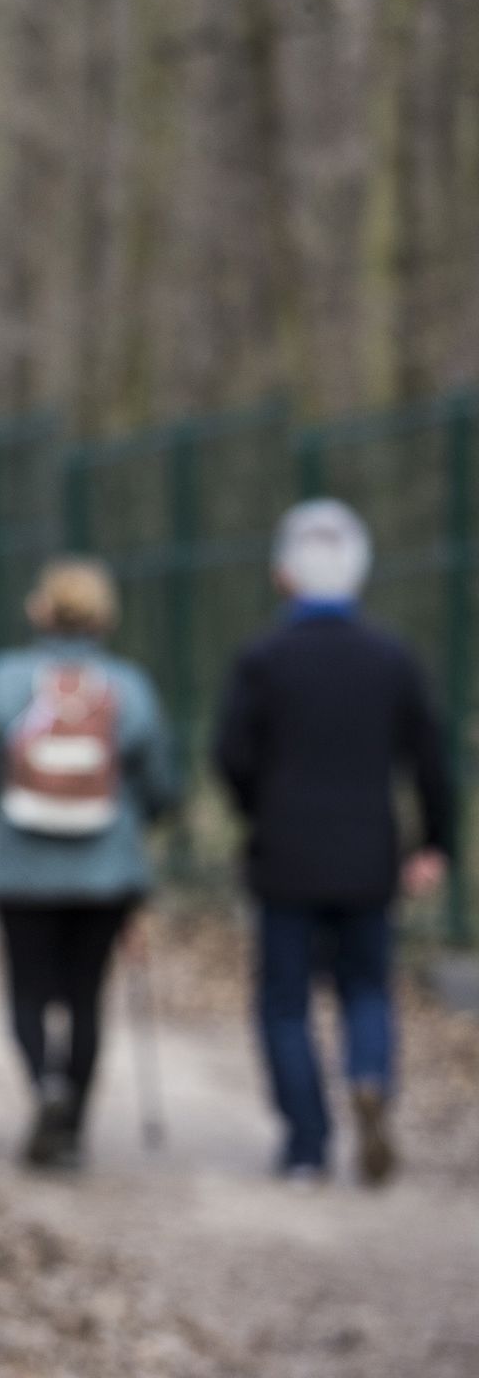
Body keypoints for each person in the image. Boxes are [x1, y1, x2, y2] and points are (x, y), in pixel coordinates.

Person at [213, 500, 454, 1187]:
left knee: (285, 1001)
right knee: (366, 988)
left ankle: (306, 1146)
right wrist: (433, 841)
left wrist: (258, 809)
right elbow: (431, 762)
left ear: (283, 574)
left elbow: (230, 755)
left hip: (285, 853)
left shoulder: (263, 659)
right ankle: (370, 1077)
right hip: (369, 854)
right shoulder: (392, 659)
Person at [0, 559, 180, 1171]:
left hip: (22, 868)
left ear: (39, 611)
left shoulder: (5, 680)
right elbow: (160, 785)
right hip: (107, 873)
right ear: (105, 618)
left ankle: (45, 1085)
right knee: (85, 997)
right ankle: (72, 1128)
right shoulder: (128, 687)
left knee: (26, 989)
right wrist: (141, 823)